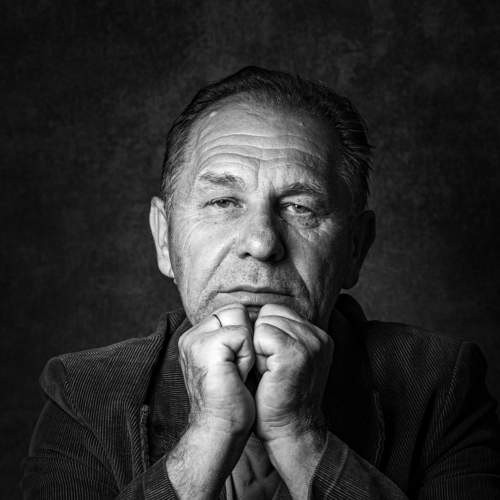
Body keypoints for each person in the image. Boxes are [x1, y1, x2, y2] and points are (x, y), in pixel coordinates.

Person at [22, 66, 500, 499]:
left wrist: (301, 436)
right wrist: (208, 437)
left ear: (355, 248)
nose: (262, 242)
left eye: (299, 207)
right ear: (164, 239)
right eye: (223, 202)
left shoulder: (440, 384)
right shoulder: (86, 394)